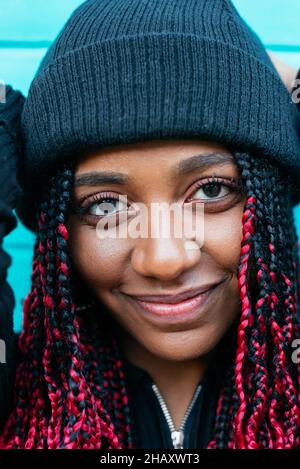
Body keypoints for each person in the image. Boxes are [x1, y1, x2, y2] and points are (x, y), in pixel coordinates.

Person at [0, 0, 300, 450]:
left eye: (211, 191)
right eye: (104, 207)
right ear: (59, 230)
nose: (164, 260)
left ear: (270, 201)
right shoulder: (18, 394)